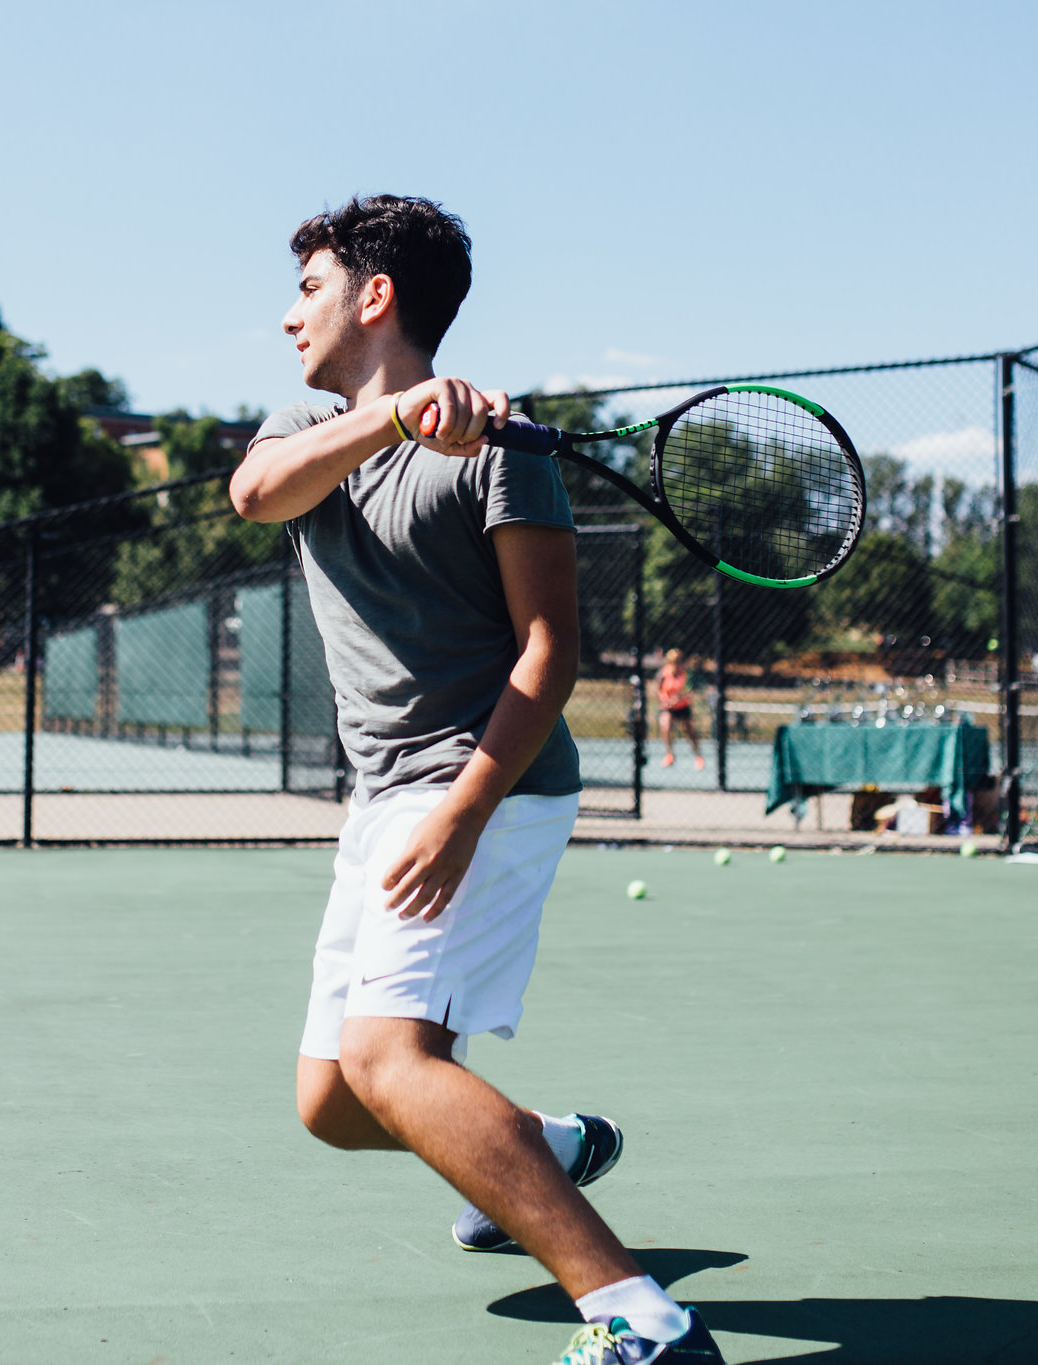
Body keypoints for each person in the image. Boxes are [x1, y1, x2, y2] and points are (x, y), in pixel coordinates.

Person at [230, 196, 723, 1365]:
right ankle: (541, 1149)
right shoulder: (299, 429)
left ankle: (637, 1317)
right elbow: (258, 497)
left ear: (374, 295)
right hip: (382, 791)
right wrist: (399, 416)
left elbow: (551, 653)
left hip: (484, 787)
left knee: (389, 1060)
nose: (286, 312)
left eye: (308, 287)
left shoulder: (504, 451)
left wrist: (461, 813)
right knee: (333, 1105)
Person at [656, 649, 705, 771]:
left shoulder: (686, 675)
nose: (677, 664)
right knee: (665, 725)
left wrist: (677, 699)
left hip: (682, 707)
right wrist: (666, 702)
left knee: (689, 732)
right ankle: (669, 755)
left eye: (679, 661)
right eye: (674, 662)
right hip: (668, 708)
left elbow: (689, 692)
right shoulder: (663, 674)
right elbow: (658, 691)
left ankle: (698, 756)